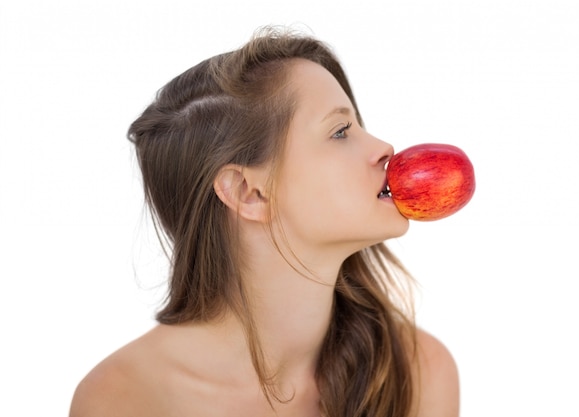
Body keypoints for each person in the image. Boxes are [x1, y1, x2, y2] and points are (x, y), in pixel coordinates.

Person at [69, 27, 459, 417]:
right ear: (248, 193)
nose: (384, 149)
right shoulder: (122, 399)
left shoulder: (420, 372)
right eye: (340, 131)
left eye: (356, 125)